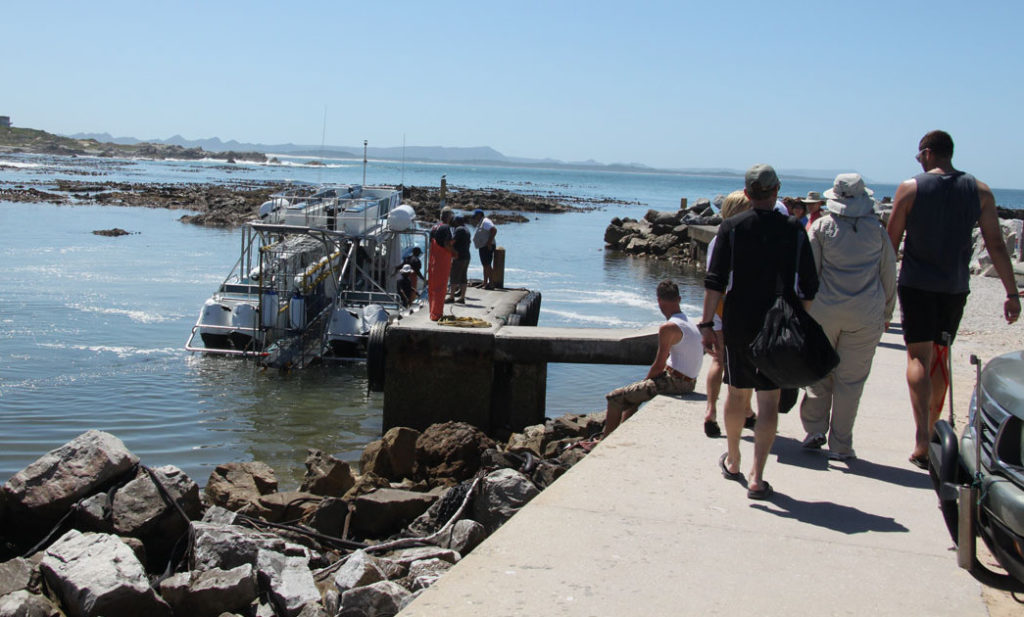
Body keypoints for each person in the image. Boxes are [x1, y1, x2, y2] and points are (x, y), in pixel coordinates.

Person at [886, 130, 1021, 469]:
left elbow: (890, 246)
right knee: (941, 355)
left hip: (916, 285)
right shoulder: (981, 191)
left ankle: (920, 438)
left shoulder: (910, 188)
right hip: (955, 287)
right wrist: (1011, 292)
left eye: (919, 155)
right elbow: (996, 244)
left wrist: (882, 293)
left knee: (917, 356)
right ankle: (933, 430)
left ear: (930, 153)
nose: (918, 160)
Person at [700, 164, 818, 500]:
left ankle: (734, 459)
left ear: (747, 193)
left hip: (739, 320)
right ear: (777, 190)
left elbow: (715, 282)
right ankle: (757, 475)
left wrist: (708, 324)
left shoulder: (732, 227)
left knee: (737, 394)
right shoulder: (795, 229)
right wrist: (800, 321)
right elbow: (809, 286)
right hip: (780, 321)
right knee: (769, 400)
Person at [799, 173, 897, 461]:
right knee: (851, 381)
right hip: (866, 312)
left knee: (819, 371)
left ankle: (815, 429)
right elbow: (888, 274)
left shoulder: (821, 227)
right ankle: (841, 443)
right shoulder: (877, 231)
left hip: (824, 310)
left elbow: (809, 274)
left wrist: (803, 313)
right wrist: (888, 311)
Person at [600, 280, 703, 439]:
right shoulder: (690, 323)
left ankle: (603, 442)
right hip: (689, 381)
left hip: (677, 382)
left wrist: (644, 382)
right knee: (635, 397)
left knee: (614, 398)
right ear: (679, 299)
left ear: (659, 301)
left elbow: (659, 364)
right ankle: (621, 432)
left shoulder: (668, 328)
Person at [704, 190, 757, 438]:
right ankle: (745, 409)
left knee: (717, 361)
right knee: (745, 361)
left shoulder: (717, 239)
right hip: (739, 307)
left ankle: (710, 410)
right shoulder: (745, 236)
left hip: (718, 305)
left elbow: (711, 278)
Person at [427, 207, 455, 321]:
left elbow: (432, 243)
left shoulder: (434, 227)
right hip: (442, 261)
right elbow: (446, 244)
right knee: (441, 288)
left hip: (433, 261)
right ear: (448, 217)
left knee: (432, 287)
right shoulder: (446, 227)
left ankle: (432, 311)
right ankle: (437, 314)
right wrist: (455, 253)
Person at [447, 216, 471, 304]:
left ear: (456, 222)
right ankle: (462, 297)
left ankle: (451, 296)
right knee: (463, 277)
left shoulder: (459, 229)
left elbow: (452, 241)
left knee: (453, 276)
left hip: (459, 256)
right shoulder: (467, 229)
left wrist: (447, 244)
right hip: (467, 255)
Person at [472, 209, 498, 289]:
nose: (475, 218)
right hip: (483, 246)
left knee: (487, 264)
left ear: (479, 215)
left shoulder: (486, 222)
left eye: (476, 216)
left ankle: (491, 284)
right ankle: (485, 282)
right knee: (485, 265)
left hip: (487, 246)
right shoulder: (481, 222)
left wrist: (489, 243)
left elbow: (494, 230)